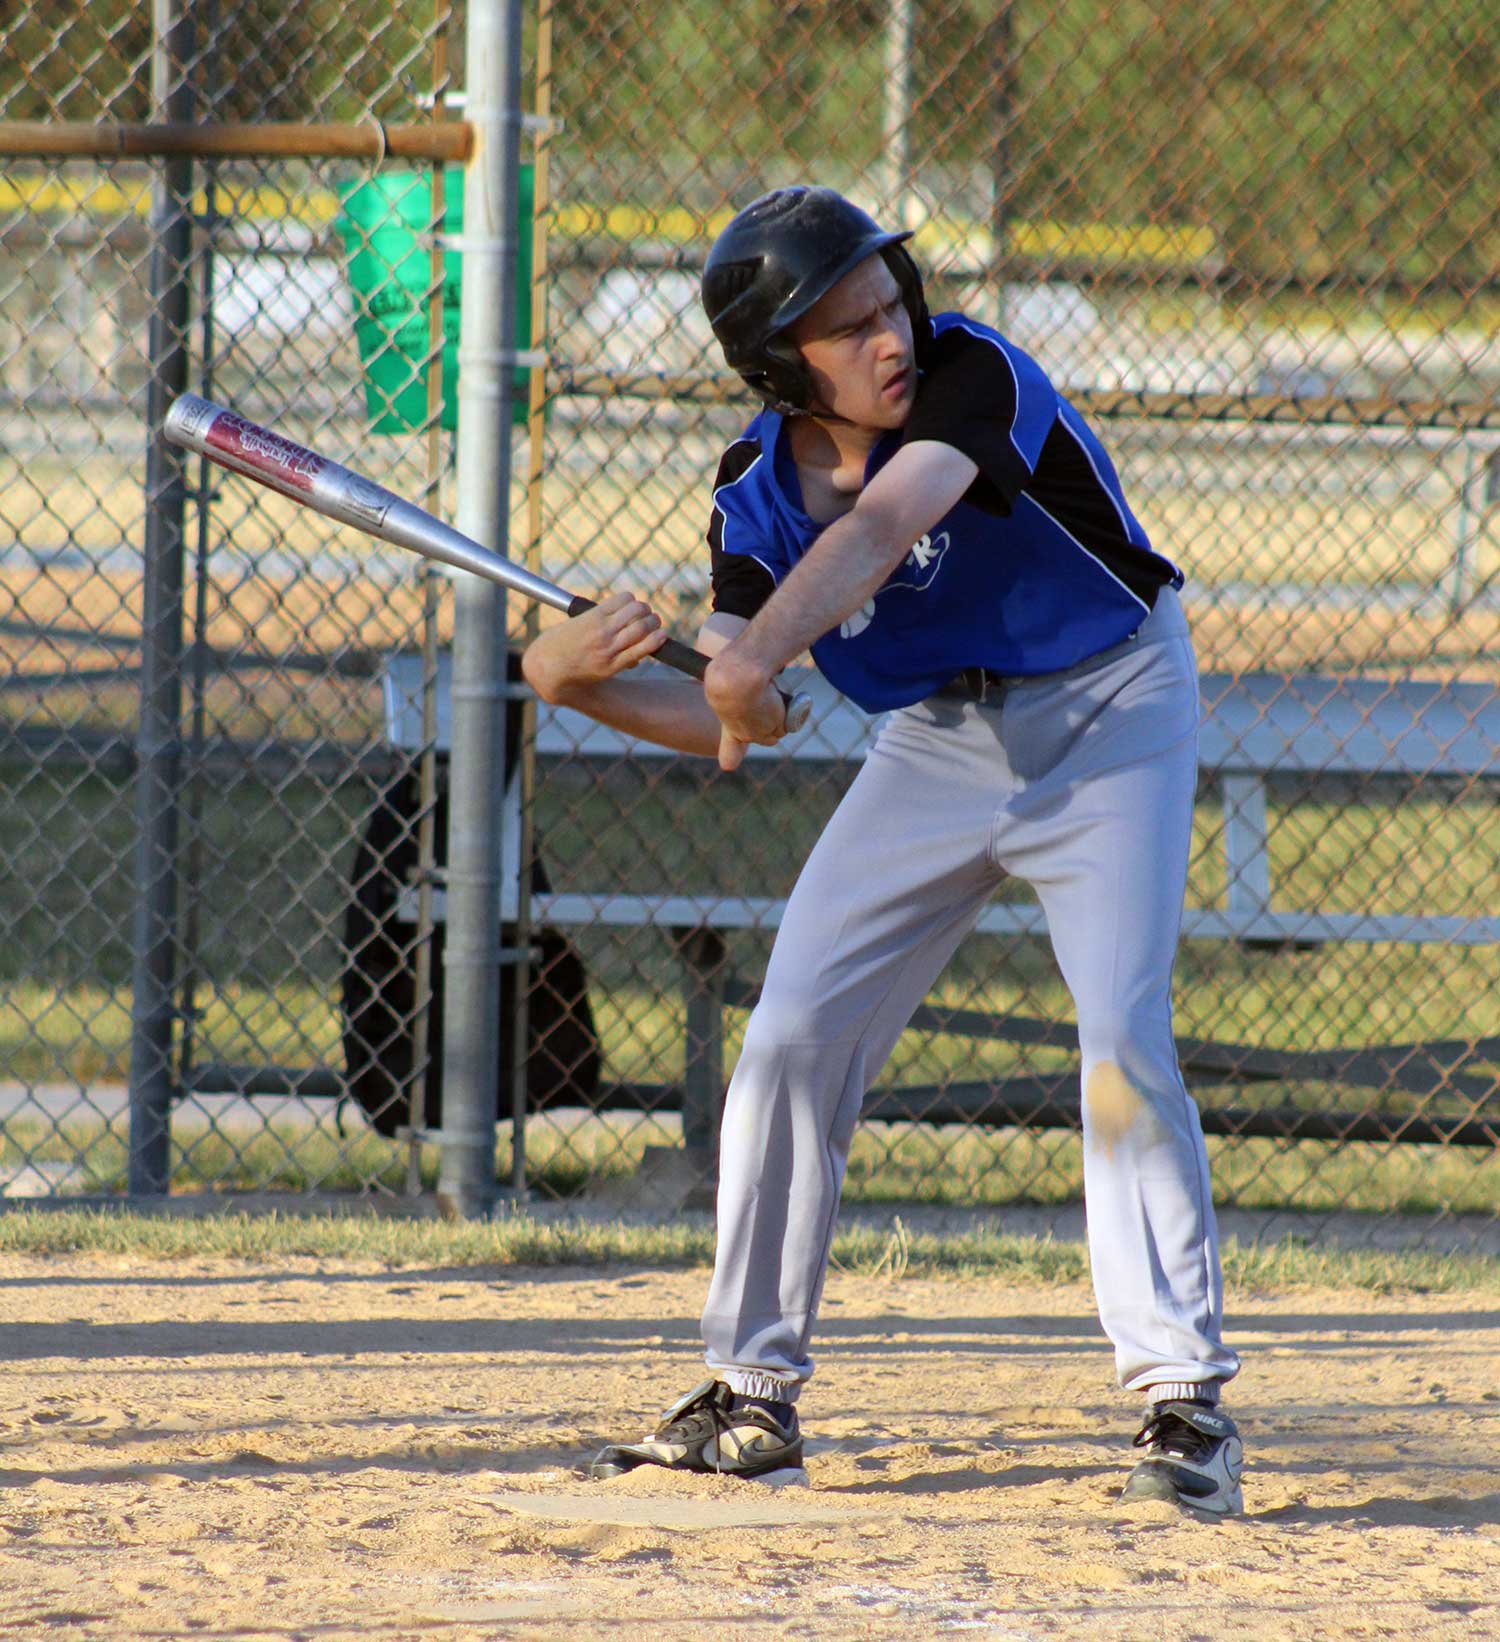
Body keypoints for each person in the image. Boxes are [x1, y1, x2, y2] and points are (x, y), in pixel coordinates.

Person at [521, 185, 1244, 1515]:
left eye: (885, 297)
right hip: (941, 744)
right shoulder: (752, 494)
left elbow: (881, 528)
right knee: (795, 1029)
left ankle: (1182, 1400)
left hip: (1114, 707)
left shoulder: (976, 376)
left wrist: (749, 654)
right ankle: (750, 1394)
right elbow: (744, 718)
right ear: (774, 367)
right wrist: (564, 680)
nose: (888, 334)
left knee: (1120, 1042)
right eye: (843, 326)